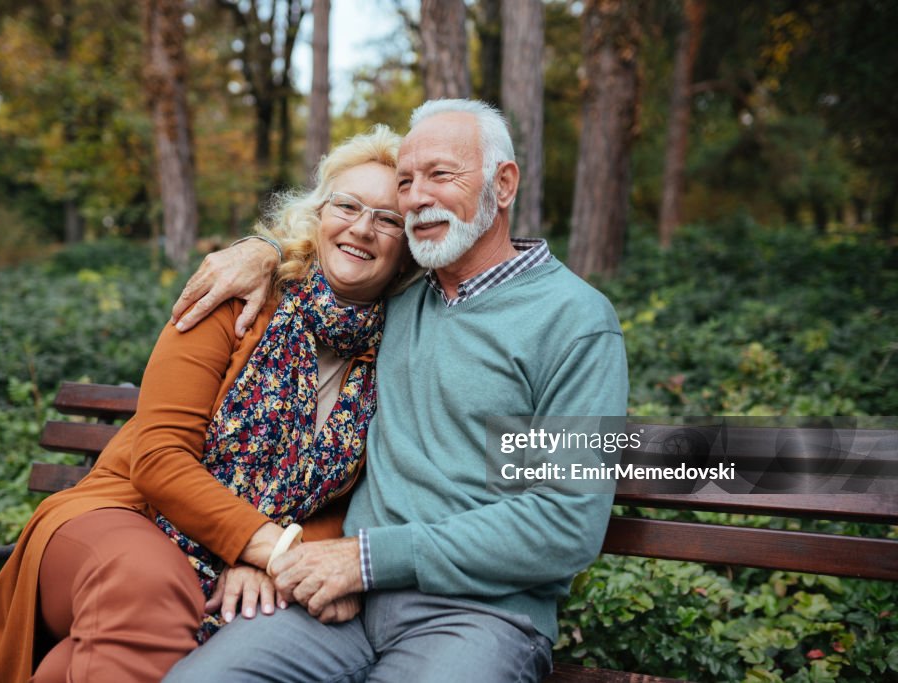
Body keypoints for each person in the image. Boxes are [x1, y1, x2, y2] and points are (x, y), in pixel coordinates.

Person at [163, 99, 630, 683]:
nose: (416, 197)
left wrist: (364, 561)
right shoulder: (398, 301)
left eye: (440, 174)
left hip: (476, 616)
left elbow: (565, 521)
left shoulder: (574, 321)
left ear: (503, 184)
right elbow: (330, 258)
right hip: (339, 608)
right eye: (406, 181)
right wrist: (264, 251)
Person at [0, 125, 415, 683]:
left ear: (407, 248)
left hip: (221, 564)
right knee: (147, 589)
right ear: (318, 214)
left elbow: (350, 499)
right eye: (348, 205)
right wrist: (272, 549)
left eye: (388, 220)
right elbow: (159, 458)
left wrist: (270, 555)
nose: (363, 227)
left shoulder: (397, 352)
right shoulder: (236, 297)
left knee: (100, 656)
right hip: (123, 518)